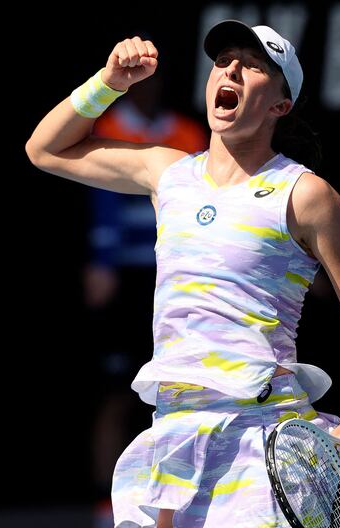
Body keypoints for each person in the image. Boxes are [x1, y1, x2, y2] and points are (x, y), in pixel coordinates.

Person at [26, 19, 340, 528]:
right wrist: (109, 83)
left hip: (262, 435)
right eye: (223, 63)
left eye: (254, 66)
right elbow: (44, 149)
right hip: (174, 429)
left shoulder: (305, 195)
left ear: (280, 106)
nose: (232, 71)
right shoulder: (167, 173)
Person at [82, 56, 209, 516]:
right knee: (115, 395)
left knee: (179, 395)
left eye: (154, 83)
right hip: (125, 282)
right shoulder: (110, 125)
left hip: (173, 283)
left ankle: (173, 507)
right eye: (139, 83)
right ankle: (104, 503)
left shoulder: (190, 135)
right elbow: (101, 200)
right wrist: (102, 261)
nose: (146, 91)